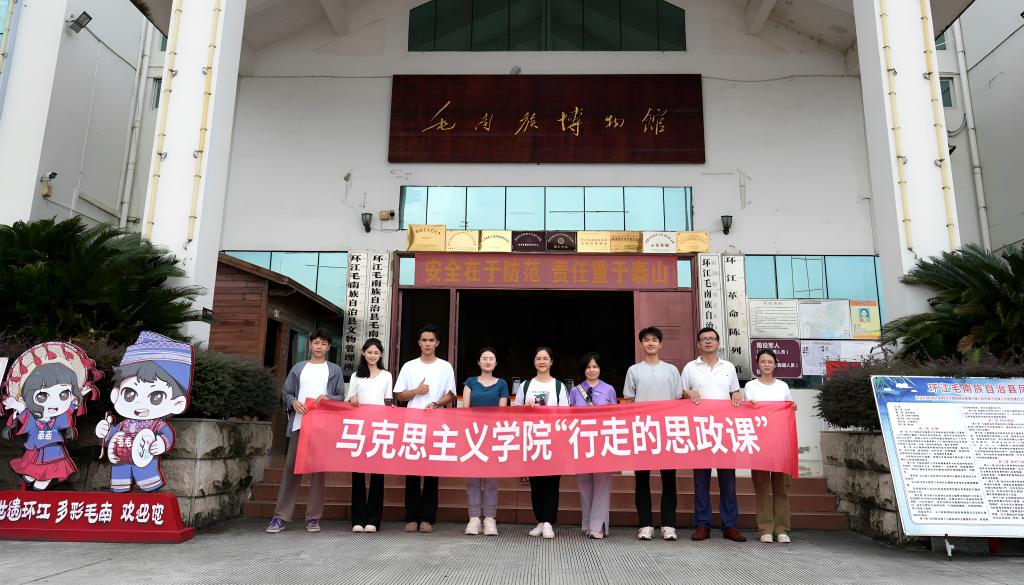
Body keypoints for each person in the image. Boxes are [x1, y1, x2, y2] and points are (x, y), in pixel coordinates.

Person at [265, 330, 345, 534]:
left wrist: (328, 398)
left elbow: (340, 397)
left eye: (323, 343)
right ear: (310, 345)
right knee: (291, 468)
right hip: (299, 424)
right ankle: (280, 516)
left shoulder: (334, 370)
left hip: (323, 427)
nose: (319, 346)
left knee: (318, 471)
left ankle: (313, 517)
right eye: (316, 342)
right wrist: (293, 402)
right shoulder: (299, 368)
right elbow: (287, 393)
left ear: (328, 347)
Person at [681, 327, 746, 542]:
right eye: (704, 339)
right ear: (698, 344)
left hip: (725, 430)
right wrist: (687, 393)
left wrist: (737, 395)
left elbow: (734, 392)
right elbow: (680, 393)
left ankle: (730, 525)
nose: (708, 342)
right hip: (700, 429)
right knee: (701, 480)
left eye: (712, 339)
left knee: (728, 480)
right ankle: (702, 524)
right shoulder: (690, 367)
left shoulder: (728, 367)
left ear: (718, 343)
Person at [393, 323, 456, 534]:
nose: (427, 343)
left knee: (431, 472)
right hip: (413, 423)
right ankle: (412, 517)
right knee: (412, 471)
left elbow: (450, 394)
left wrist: (436, 403)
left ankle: (428, 517)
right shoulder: (409, 366)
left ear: (437, 343)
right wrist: (417, 391)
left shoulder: (445, 367)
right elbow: (399, 395)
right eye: (424, 340)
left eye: (431, 340)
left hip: (436, 423)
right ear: (419, 343)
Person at [623, 326, 682, 541]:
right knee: (642, 479)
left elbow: (677, 399)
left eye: (654, 340)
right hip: (642, 430)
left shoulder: (671, 370)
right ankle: (645, 525)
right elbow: (629, 400)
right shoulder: (634, 370)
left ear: (660, 344)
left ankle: (668, 525)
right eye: (646, 340)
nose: (650, 343)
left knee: (669, 479)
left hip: (667, 430)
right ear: (641, 344)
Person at [513, 346, 568, 539]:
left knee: (552, 482)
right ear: (534, 362)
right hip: (532, 440)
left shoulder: (559, 386)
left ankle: (549, 522)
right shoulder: (526, 385)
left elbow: (565, 414)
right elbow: (515, 411)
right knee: (535, 482)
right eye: (538, 358)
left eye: (545, 358)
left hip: (553, 440)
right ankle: (540, 520)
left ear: (551, 362)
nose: (542, 362)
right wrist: (525, 408)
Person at [745, 349, 798, 543]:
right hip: (759, 441)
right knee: (762, 486)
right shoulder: (750, 386)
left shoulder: (783, 386)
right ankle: (765, 528)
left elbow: (788, 408)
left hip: (781, 441)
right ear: (757, 365)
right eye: (763, 361)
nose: (766, 364)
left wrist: (792, 407)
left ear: (775, 365)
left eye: (770, 361)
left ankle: (782, 529)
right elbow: (747, 411)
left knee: (781, 486)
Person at [345, 338, 393, 534]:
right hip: (359, 430)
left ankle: (373, 520)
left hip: (379, 429)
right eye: (369, 352)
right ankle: (358, 519)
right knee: (357, 475)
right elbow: (348, 400)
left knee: (377, 475)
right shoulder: (356, 376)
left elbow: (389, 401)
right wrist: (353, 399)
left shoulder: (387, 376)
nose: (373, 356)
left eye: (376, 353)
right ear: (363, 353)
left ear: (381, 355)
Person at [569, 352, 617, 539]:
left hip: (603, 442)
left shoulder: (609, 389)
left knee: (602, 484)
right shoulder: (575, 391)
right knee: (584, 484)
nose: (591, 370)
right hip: (581, 441)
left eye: (595, 367)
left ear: (600, 369)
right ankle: (588, 523)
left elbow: (616, 416)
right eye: (588, 367)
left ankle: (598, 526)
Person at [462, 347, 509, 536]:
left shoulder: (502, 384)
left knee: (491, 479)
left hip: (493, 436)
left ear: (496, 363)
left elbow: (502, 411)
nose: (488, 361)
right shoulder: (470, 382)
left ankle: (490, 518)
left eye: (491, 358)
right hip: (473, 435)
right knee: (473, 479)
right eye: (484, 358)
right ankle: (473, 518)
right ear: (479, 362)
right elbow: (465, 410)